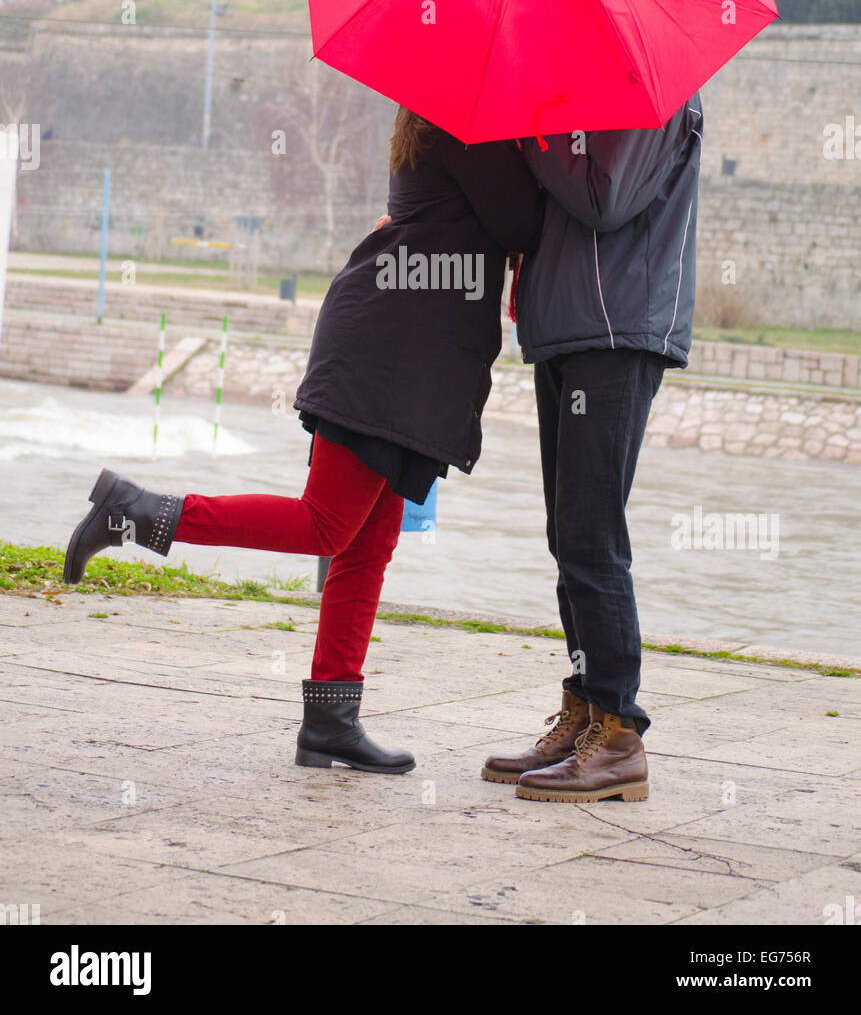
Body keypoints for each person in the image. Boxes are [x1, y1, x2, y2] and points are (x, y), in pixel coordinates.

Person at [63, 108, 544, 776]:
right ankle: (133, 510)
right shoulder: (465, 122)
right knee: (327, 525)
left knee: (367, 545)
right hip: (386, 353)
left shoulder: (455, 123)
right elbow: (523, 222)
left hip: (405, 352)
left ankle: (329, 723)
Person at [482, 93, 703, 803]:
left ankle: (616, 733)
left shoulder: (653, 89)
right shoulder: (575, 92)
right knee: (568, 534)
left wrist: (532, 133)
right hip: (569, 327)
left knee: (590, 534)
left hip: (618, 330)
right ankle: (582, 710)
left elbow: (604, 199)